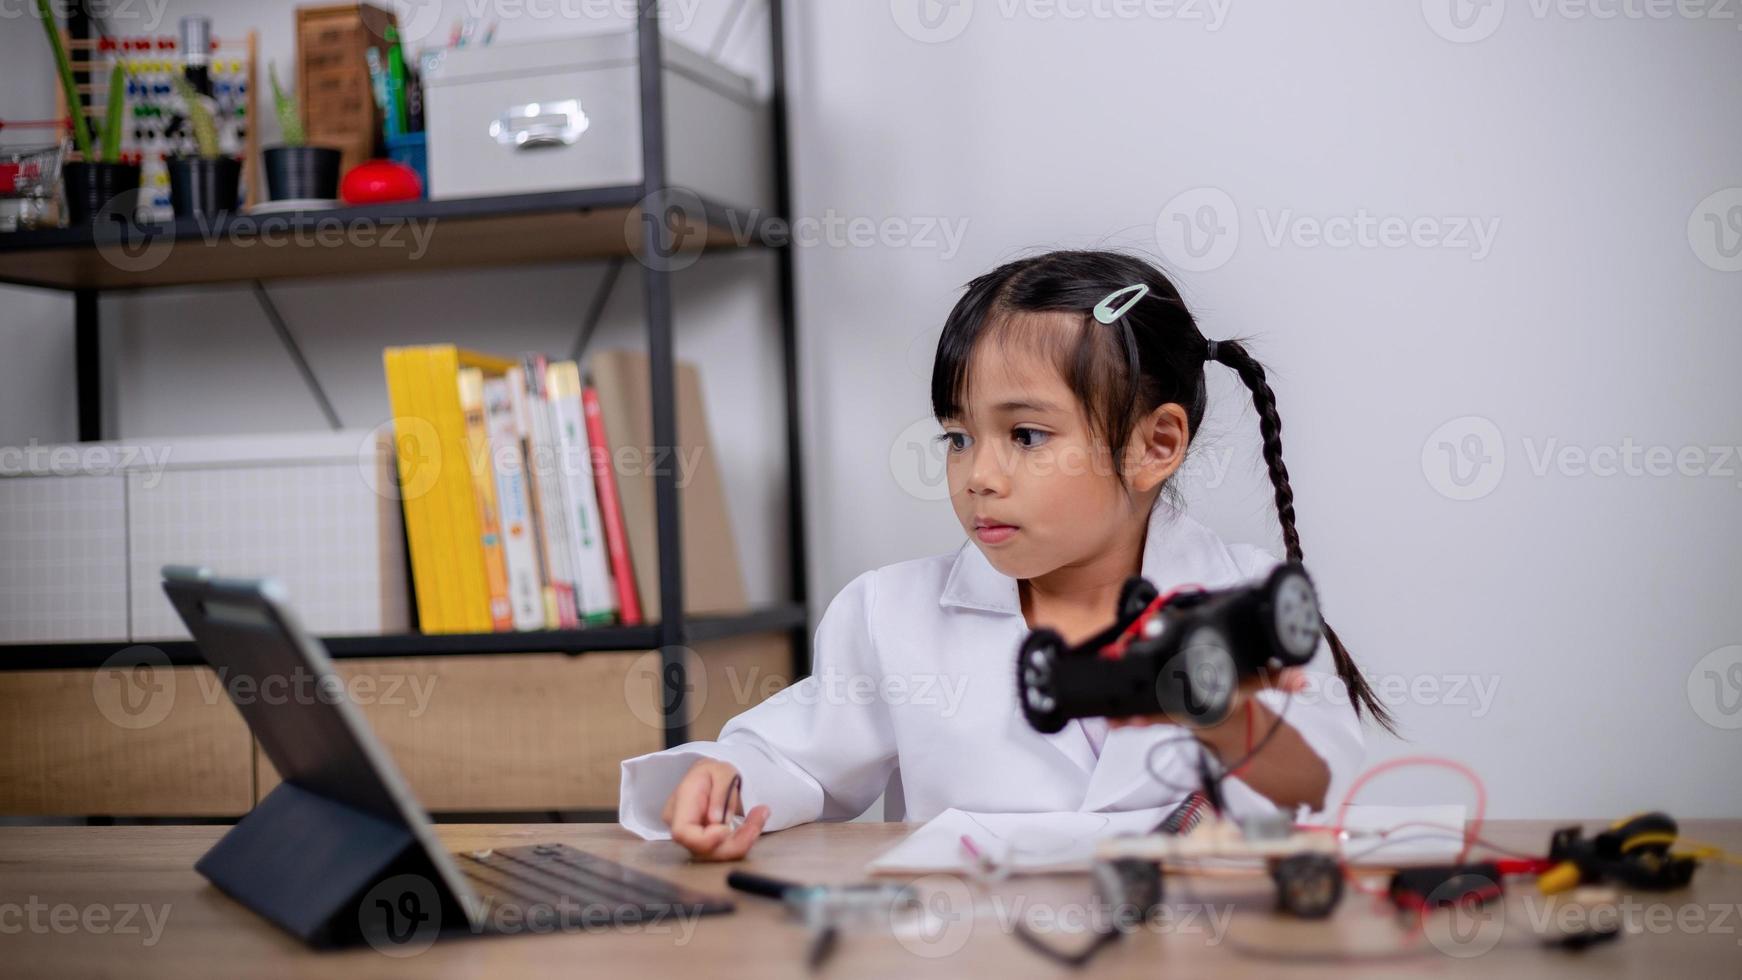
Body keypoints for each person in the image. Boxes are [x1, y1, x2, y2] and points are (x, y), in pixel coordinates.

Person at [618, 249, 1391, 860]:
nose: (978, 476)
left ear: (1156, 446)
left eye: (1026, 436)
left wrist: (1229, 723)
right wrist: (723, 778)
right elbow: (798, 759)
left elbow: (1324, 800)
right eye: (958, 438)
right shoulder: (892, 614)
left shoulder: (1252, 601)